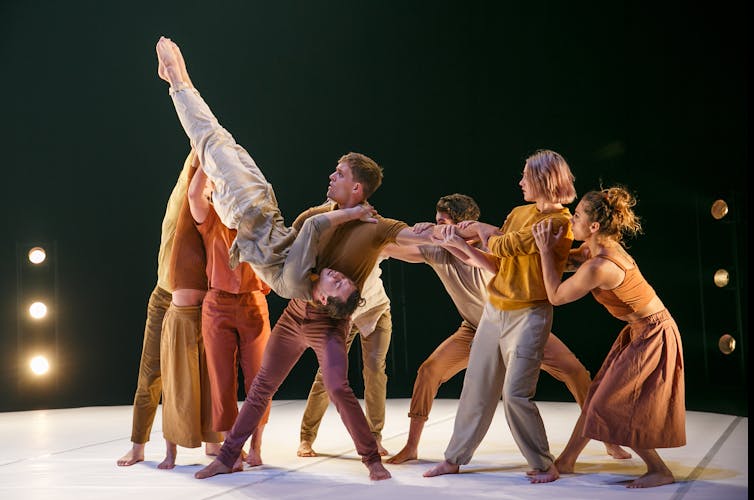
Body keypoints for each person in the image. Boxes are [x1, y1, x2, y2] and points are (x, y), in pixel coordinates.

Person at [155, 36, 432, 480]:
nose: (339, 275)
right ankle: (227, 457)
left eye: (338, 282)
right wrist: (338, 211)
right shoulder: (318, 269)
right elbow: (309, 224)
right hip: (261, 216)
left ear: (326, 296)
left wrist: (351, 214)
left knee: (212, 139)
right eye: (343, 278)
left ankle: (178, 81)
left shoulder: (300, 279)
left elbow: (319, 231)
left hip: (249, 212)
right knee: (263, 386)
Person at [382, 194, 629, 464]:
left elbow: (546, 262)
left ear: (464, 226)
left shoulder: (494, 249)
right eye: (436, 221)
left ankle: (608, 439)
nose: (437, 227)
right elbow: (393, 246)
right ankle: (411, 445)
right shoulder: (438, 252)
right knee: (429, 371)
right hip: (474, 329)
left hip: (515, 322)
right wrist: (392, 232)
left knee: (575, 372)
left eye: (443, 222)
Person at [423, 150, 576, 484]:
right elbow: (495, 263)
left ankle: (543, 463)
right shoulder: (520, 212)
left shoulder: (560, 223)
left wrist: (479, 227)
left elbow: (506, 246)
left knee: (516, 394)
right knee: (476, 386)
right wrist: (460, 246)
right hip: (495, 310)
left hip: (529, 315)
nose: (520, 182)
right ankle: (454, 459)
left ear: (543, 180)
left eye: (526, 176)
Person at [532, 186, 685, 488]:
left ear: (594, 226)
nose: (570, 222)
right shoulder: (594, 249)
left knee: (608, 405)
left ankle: (659, 469)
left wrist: (546, 251)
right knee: (595, 397)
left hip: (654, 333)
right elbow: (566, 263)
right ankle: (566, 461)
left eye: (576, 216)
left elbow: (556, 295)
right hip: (640, 331)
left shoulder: (601, 266)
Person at [188, 165, 272, 466]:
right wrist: (204, 149)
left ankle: (257, 448)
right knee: (221, 380)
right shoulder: (211, 220)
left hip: (252, 301)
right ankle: (230, 451)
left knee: (260, 378)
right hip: (218, 304)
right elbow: (195, 193)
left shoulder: (257, 222)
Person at [116, 153, 192, 466]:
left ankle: (217, 443)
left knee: (203, 377)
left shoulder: (212, 208)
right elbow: (196, 149)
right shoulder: (180, 200)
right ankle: (138, 444)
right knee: (150, 375)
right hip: (164, 297)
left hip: (195, 303)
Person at [158, 157, 223, 469]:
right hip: (183, 316)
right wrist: (206, 146)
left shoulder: (212, 218)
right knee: (178, 385)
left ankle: (214, 442)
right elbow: (196, 168)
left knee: (212, 382)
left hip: (209, 313)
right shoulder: (187, 208)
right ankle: (171, 451)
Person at [297, 249, 392, 458]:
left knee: (375, 368)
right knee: (327, 374)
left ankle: (374, 435)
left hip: (375, 310)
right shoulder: (334, 249)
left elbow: (397, 246)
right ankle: (306, 437)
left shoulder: (367, 239)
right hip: (343, 317)